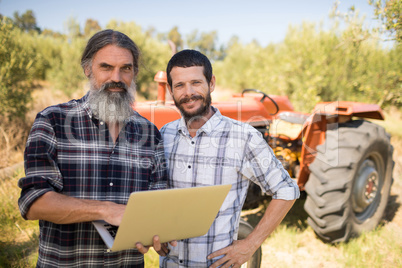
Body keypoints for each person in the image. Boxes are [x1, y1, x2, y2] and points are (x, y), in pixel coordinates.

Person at [17, 29, 169, 267]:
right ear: (88, 69)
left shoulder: (150, 133)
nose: (116, 77)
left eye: (126, 68)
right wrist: (107, 210)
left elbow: (158, 204)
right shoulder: (52, 121)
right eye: (106, 67)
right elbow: (34, 202)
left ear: (135, 72)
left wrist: (158, 233)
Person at [137, 49, 300, 267]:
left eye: (196, 82)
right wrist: (156, 230)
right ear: (170, 90)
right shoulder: (165, 134)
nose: (188, 92)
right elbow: (158, 196)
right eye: (180, 85)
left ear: (211, 83)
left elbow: (287, 190)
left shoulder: (243, 137)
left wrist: (250, 245)